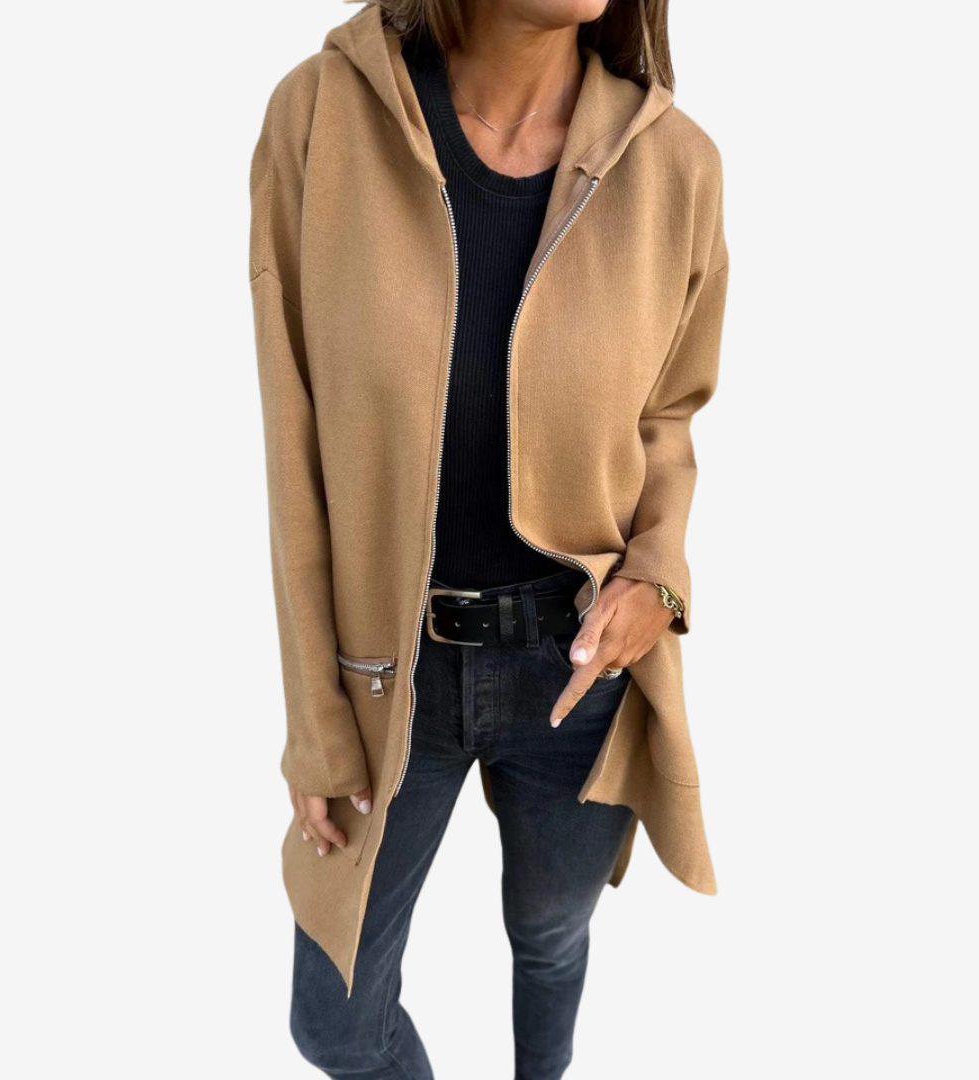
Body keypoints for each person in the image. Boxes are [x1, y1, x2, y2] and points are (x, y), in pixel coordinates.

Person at [247, 1, 729, 1076]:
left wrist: (657, 579)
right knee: (335, 1023)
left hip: (578, 675)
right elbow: (294, 443)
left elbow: (669, 418)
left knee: (551, 937)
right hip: (388, 674)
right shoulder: (320, 118)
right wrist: (314, 716)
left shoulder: (675, 164)